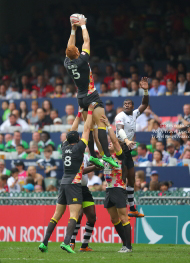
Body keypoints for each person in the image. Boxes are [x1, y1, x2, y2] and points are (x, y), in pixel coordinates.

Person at [39, 103, 95, 253]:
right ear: (77, 139)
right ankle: (66, 242)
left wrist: (78, 115)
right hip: (74, 183)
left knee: (56, 215)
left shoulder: (64, 147)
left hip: (63, 182)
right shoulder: (79, 148)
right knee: (74, 214)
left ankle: (44, 242)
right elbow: (87, 128)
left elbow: (72, 130)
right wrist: (89, 112)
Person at [64, 17, 118, 169]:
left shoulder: (67, 63)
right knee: (100, 124)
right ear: (77, 52)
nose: (78, 48)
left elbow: (70, 46)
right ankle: (107, 156)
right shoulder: (81, 61)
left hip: (80, 97)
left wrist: (72, 30)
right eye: (77, 49)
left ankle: (93, 157)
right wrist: (83, 26)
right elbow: (86, 42)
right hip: (91, 95)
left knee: (90, 127)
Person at [114, 77, 149, 217]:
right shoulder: (119, 116)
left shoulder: (135, 114)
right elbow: (120, 130)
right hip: (119, 148)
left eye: (129, 104)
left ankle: (132, 208)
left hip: (127, 149)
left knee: (132, 178)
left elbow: (145, 104)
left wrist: (145, 90)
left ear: (133, 106)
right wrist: (127, 141)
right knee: (122, 177)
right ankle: (119, 206)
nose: (127, 105)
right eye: (125, 104)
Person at [100, 115, 133, 252]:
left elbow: (114, 139)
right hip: (109, 189)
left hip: (119, 189)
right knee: (114, 219)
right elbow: (99, 141)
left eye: (112, 143)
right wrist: (95, 128)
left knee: (124, 217)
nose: (110, 143)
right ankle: (125, 243)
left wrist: (108, 125)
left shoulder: (120, 156)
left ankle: (128, 246)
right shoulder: (107, 157)